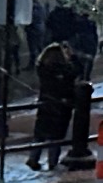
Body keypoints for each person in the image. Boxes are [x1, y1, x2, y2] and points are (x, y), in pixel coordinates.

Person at [28, 43, 77, 171]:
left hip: (46, 104)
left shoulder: (43, 69)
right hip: (61, 105)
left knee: (40, 134)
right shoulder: (66, 70)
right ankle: (52, 162)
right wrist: (72, 57)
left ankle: (33, 158)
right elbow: (76, 72)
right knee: (55, 137)